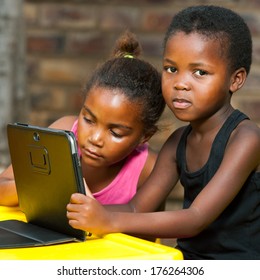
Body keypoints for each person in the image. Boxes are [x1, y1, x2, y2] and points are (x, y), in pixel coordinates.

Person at [66, 5, 260, 259]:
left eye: (199, 72)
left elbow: (195, 218)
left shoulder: (246, 138)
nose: (180, 83)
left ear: (235, 80)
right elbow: (136, 208)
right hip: (186, 259)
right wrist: (80, 213)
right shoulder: (177, 141)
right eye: (171, 68)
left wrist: (107, 220)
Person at [0, 31, 166, 208]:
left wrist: (93, 212)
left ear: (145, 136)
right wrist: (43, 184)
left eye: (115, 132)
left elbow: (148, 232)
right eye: (88, 120)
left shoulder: (148, 169)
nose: (95, 138)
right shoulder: (63, 133)